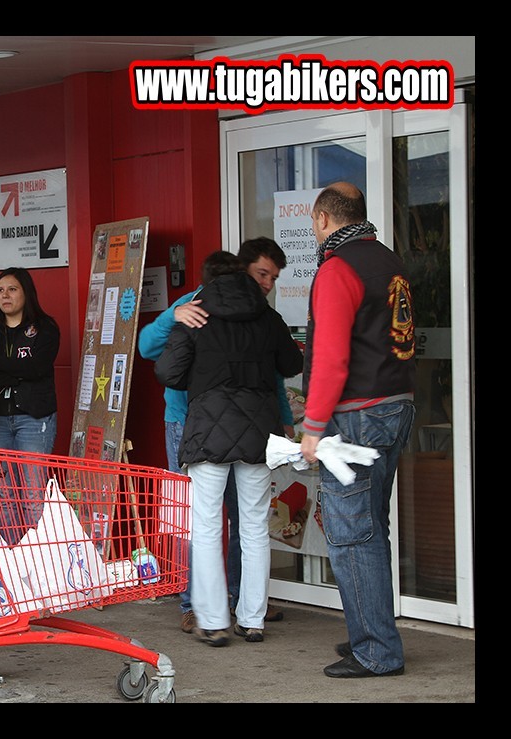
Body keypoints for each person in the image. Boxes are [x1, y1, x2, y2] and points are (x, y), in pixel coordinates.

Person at [139, 238, 295, 632]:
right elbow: (289, 364)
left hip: (204, 427)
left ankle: (211, 618)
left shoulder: (202, 313)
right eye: (263, 275)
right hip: (256, 433)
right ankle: (251, 618)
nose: (267, 284)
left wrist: (205, 376)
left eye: (273, 278)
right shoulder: (250, 315)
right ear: (241, 271)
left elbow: (166, 371)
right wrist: (174, 316)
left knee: (204, 524)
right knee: (253, 525)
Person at [300, 182, 416, 679]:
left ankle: (376, 649)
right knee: (371, 528)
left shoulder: (336, 268)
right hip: (397, 404)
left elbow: (329, 358)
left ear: (323, 218)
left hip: (356, 416)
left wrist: (312, 427)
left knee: (351, 535)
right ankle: (372, 631)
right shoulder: (389, 260)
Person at [0, 267, 60, 541]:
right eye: (0, 290)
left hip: (34, 419)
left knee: (32, 493)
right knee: (4, 494)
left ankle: (37, 555)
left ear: (26, 292)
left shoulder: (45, 327)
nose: (5, 295)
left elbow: (39, 368)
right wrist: (18, 370)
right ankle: (13, 553)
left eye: (12, 289)